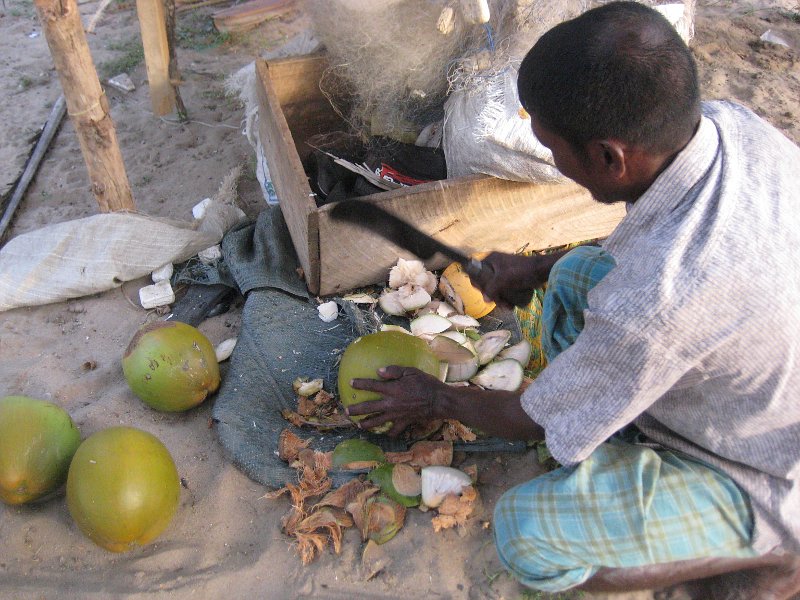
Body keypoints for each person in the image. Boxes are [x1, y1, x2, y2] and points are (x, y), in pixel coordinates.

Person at [345, 2, 800, 598]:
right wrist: (536, 264)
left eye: (552, 148)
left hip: (769, 466)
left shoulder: (659, 301)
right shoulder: (728, 125)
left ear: (611, 156)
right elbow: (659, 241)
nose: (552, 164)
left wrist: (435, 395)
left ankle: (773, 552)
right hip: (758, 372)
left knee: (526, 534)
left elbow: (532, 417)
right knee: (578, 271)